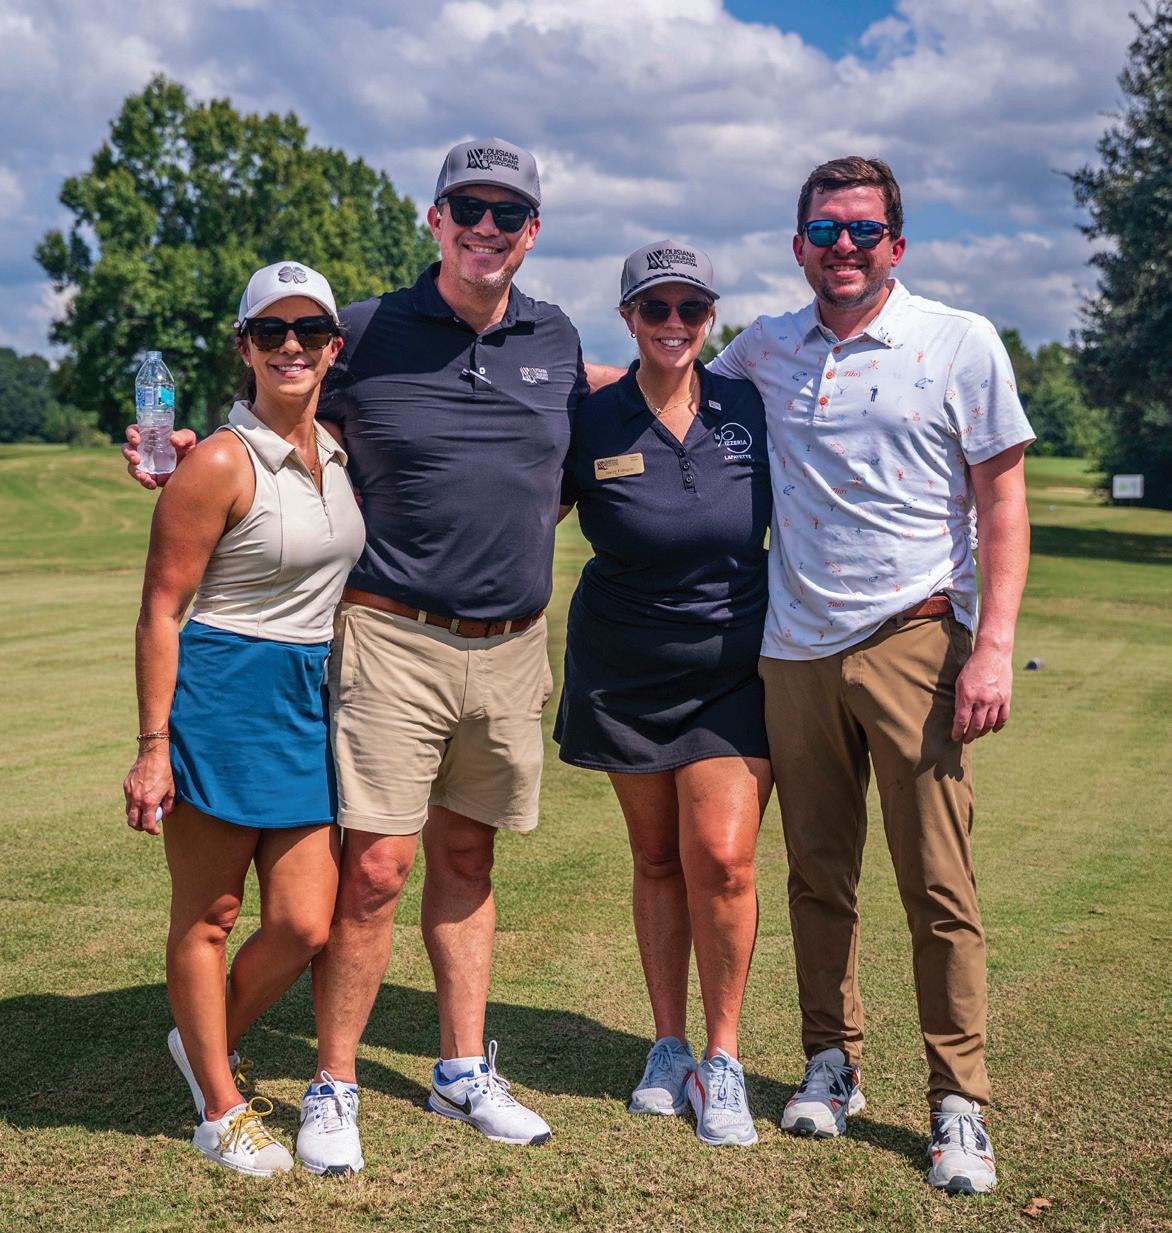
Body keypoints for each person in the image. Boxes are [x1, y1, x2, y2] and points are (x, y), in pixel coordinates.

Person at [126, 138, 590, 1169]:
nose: (485, 227)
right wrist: (183, 450)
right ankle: (322, 1083)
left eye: (506, 213)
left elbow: (594, 421)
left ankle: (460, 1070)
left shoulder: (554, 338)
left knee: (454, 863)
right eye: (466, 208)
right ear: (436, 220)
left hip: (507, 647)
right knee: (370, 871)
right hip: (381, 644)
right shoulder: (374, 331)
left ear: (531, 232)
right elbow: (259, 429)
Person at [708, 156, 1033, 1193]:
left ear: (895, 244)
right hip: (793, 651)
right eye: (823, 231)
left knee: (936, 883)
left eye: (860, 231)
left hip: (916, 640)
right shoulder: (763, 347)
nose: (841, 247)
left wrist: (991, 644)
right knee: (817, 877)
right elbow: (663, 385)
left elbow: (1002, 501)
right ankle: (830, 1063)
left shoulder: (958, 340)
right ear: (797, 245)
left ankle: (957, 1101)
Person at [122, 262, 365, 1175]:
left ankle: (202, 1040)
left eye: (309, 331)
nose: (291, 346)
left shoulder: (337, 449)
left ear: (334, 346)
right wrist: (153, 746)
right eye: (271, 332)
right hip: (224, 692)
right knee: (212, 912)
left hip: (308, 698)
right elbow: (160, 610)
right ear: (245, 347)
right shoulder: (219, 460)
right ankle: (220, 1109)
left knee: (305, 922)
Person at [555, 242, 771, 1147]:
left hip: (734, 668)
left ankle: (723, 1058)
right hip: (624, 667)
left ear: (710, 317)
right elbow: (508, 500)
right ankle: (668, 1044)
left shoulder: (750, 403)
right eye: (655, 309)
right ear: (629, 318)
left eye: (691, 308)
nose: (674, 324)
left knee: (720, 857)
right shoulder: (590, 419)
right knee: (655, 858)